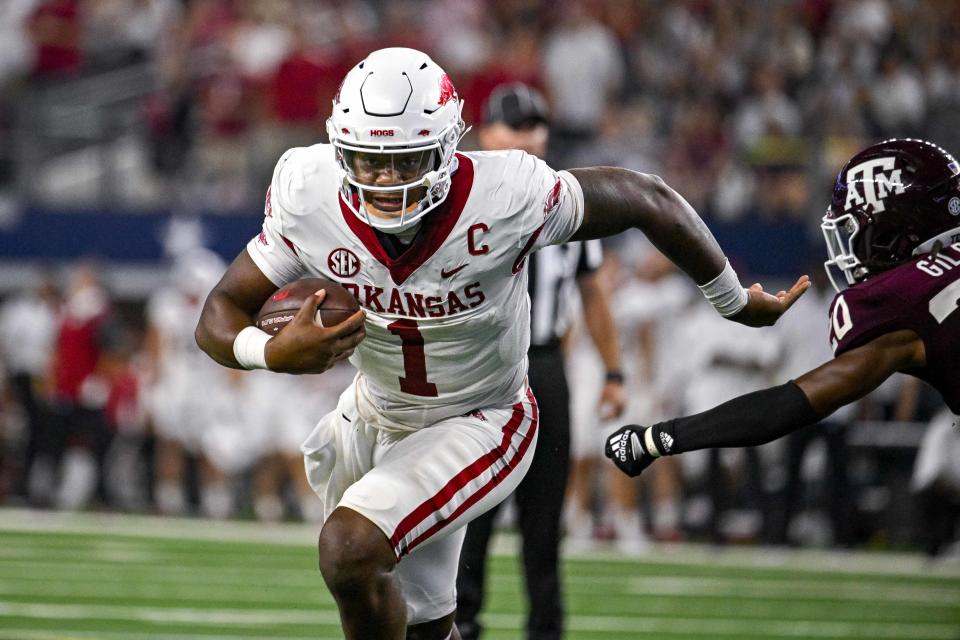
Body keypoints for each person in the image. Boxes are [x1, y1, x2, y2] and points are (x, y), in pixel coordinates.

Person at [194, 47, 807, 640]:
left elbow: (647, 198)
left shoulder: (505, 193)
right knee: (424, 625)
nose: (384, 182)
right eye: (365, 161)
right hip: (375, 411)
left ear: (447, 147)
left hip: (482, 417)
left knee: (349, 550)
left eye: (406, 162)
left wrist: (732, 298)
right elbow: (218, 313)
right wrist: (269, 352)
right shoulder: (311, 191)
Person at [605, 139, 960, 502]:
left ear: (897, 228)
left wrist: (654, 439)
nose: (854, 247)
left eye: (857, 231)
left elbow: (789, 405)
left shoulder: (907, 298)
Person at [453, 83, 626, 640]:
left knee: (545, 515)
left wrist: (614, 370)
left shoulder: (563, 199)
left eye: (535, 127)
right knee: (470, 509)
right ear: (486, 133)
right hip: (478, 366)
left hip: (544, 363)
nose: (528, 137)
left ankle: (545, 630)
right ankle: (462, 623)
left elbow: (592, 292)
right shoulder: (462, 196)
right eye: (516, 126)